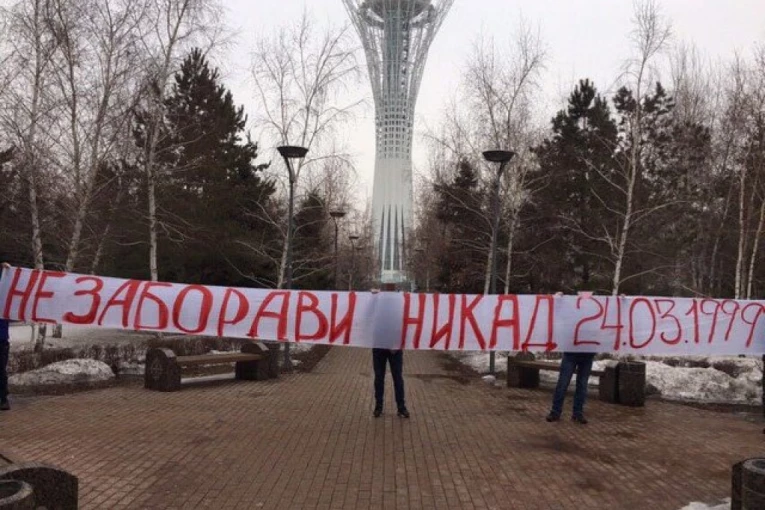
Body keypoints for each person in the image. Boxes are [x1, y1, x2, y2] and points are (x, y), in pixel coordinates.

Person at [546, 352, 596, 424]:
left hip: (587, 355)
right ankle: (555, 412)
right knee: (563, 383)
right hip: (571, 354)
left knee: (582, 385)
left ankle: (578, 413)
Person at [372, 348, 409, 418]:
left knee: (398, 378)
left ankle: (401, 407)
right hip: (379, 348)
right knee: (379, 378)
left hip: (394, 348)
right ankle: (378, 406)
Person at [1, 262, 10, 411]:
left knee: (0, 370)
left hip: (1, 340)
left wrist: (4, 271)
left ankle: (3, 398)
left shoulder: (5, 302)